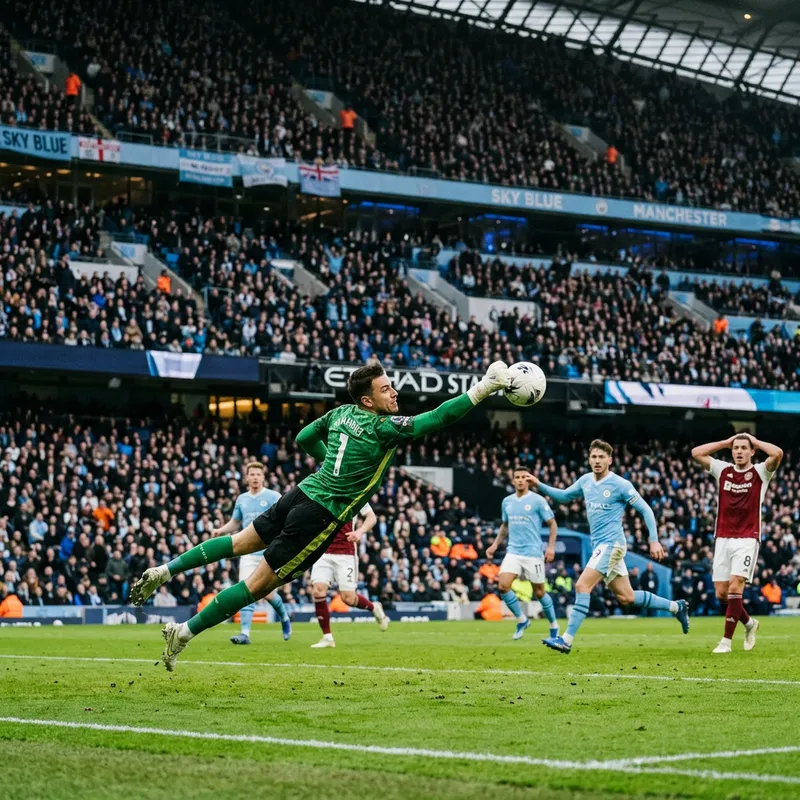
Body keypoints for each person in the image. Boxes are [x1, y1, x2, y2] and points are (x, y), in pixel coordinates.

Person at [131, 360, 511, 670]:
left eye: (391, 386)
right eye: (385, 389)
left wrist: (329, 463)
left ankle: (164, 570)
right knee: (257, 587)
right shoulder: (383, 428)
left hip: (299, 492)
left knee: (238, 542)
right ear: (367, 400)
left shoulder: (341, 413)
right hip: (320, 514)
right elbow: (437, 419)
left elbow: (303, 438)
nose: (394, 392)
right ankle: (183, 633)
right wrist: (483, 388)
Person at [530, 439, 690, 654]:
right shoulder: (586, 481)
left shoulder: (620, 485)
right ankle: (676, 607)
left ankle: (566, 640)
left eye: (601, 457)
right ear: (589, 459)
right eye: (594, 457)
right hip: (601, 546)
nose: (597, 461)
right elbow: (565, 496)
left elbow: (646, 510)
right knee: (627, 597)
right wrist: (538, 484)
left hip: (612, 544)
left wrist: (653, 539)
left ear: (610, 460)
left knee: (581, 586)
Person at [691, 432, 783, 654]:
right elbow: (696, 453)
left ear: (752, 452)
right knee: (722, 594)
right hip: (722, 537)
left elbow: (777, 453)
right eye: (736, 448)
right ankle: (750, 623)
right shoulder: (723, 470)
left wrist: (754, 440)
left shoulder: (760, 472)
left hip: (747, 538)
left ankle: (726, 642)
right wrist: (725, 442)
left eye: (744, 448)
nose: (739, 451)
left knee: (735, 585)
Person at [210, 462, 291, 644]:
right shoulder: (242, 499)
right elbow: (236, 522)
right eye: (252, 474)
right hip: (248, 553)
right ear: (246, 478)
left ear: (263, 477)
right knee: (246, 590)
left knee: (268, 594)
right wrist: (221, 531)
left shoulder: (273, 497)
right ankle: (245, 633)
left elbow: (285, 519)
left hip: (270, 552)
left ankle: (284, 618)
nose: (255, 477)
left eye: (258, 474)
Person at [485, 466, 559, 641]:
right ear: (512, 480)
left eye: (523, 477)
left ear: (529, 480)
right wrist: (495, 545)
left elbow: (552, 524)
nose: (520, 480)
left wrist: (550, 547)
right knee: (503, 586)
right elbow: (505, 525)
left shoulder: (538, 501)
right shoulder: (507, 502)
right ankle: (522, 620)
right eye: (517, 477)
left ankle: (554, 625)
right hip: (513, 551)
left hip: (533, 552)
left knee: (540, 593)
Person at [310, 503, 389, 648]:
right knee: (318, 590)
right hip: (323, 552)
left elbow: (371, 518)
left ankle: (374, 608)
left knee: (348, 598)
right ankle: (327, 637)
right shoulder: (323, 490)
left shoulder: (356, 493)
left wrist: (360, 531)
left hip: (345, 554)